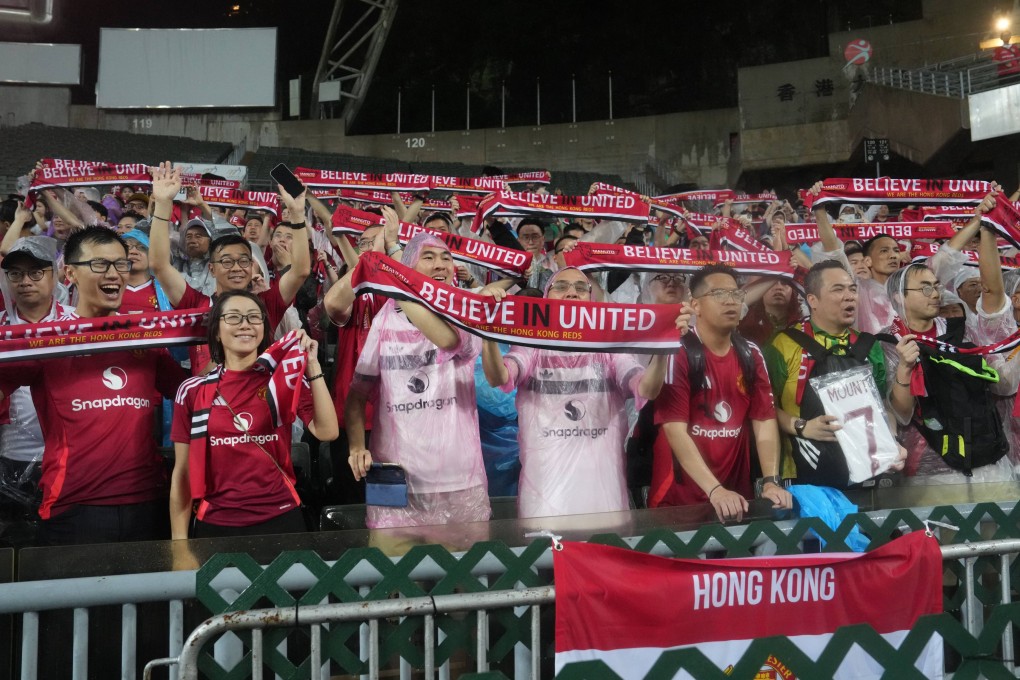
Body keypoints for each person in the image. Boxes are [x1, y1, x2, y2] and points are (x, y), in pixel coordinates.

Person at [0, 227, 188, 545]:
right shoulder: (50, 342)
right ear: (70, 273)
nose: (113, 273)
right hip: (74, 509)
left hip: (148, 503)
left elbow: (193, 395)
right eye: (99, 264)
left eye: (120, 264)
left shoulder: (142, 338)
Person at [480, 267, 690, 518]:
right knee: (547, 543)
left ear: (591, 299)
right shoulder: (531, 346)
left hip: (602, 492)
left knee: (604, 541)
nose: (572, 293)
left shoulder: (610, 346)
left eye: (581, 288)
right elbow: (499, 377)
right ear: (546, 297)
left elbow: (647, 388)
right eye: (561, 287)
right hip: (545, 492)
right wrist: (487, 334)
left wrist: (664, 348)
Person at [346, 232, 490, 529]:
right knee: (390, 559)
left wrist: (397, 283)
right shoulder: (385, 319)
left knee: (463, 561)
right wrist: (357, 447)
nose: (440, 264)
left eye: (446, 258)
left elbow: (449, 341)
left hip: (458, 479)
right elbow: (357, 394)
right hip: (393, 476)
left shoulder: (465, 312)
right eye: (428, 257)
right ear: (410, 266)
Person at [169, 292, 338, 538]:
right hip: (216, 522)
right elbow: (182, 473)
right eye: (234, 317)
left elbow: (327, 431)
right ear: (216, 331)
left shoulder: (283, 379)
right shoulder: (193, 390)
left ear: (263, 328)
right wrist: (179, 543)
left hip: (282, 517)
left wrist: (312, 365)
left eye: (253, 317)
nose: (245, 324)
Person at [884, 191, 1018, 482]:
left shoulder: (960, 328)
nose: (936, 293)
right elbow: (902, 413)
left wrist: (985, 225)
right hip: (930, 472)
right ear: (898, 297)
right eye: (926, 288)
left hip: (987, 460)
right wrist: (906, 367)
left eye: (936, 286)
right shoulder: (888, 343)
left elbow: (1003, 381)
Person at [652, 263, 793, 520]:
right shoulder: (676, 352)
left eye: (736, 294)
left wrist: (771, 481)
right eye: (718, 294)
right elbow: (674, 430)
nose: (730, 301)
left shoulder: (751, 354)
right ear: (695, 305)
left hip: (736, 497)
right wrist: (715, 490)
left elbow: (764, 420)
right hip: (679, 499)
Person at [764, 261, 903, 486]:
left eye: (852, 289)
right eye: (838, 289)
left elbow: (882, 407)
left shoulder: (870, 345)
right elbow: (762, 408)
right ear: (813, 300)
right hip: (804, 475)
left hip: (867, 473)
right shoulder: (783, 344)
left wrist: (892, 441)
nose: (849, 297)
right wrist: (802, 426)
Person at [0, 236, 70, 511]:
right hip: (10, 456)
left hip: (69, 456)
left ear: (54, 276)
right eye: (15, 274)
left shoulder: (77, 326)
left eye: (35, 272)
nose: (25, 281)